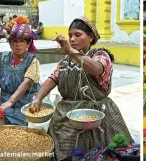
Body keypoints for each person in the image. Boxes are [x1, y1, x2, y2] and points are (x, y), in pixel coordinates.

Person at [30, 17, 133, 160]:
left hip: (96, 115)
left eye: (77, 35)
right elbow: (53, 78)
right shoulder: (65, 61)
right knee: (67, 152)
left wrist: (72, 52)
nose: (72, 39)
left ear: (90, 37)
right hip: (67, 115)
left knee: (102, 153)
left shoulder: (101, 55)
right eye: (70, 35)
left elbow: (97, 69)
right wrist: (38, 97)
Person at [0, 16, 40, 126]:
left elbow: (26, 83)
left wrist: (11, 101)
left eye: (22, 41)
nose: (18, 45)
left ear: (28, 44)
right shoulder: (3, 58)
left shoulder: (32, 60)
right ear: (10, 43)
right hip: (4, 103)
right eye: (15, 41)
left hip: (25, 104)